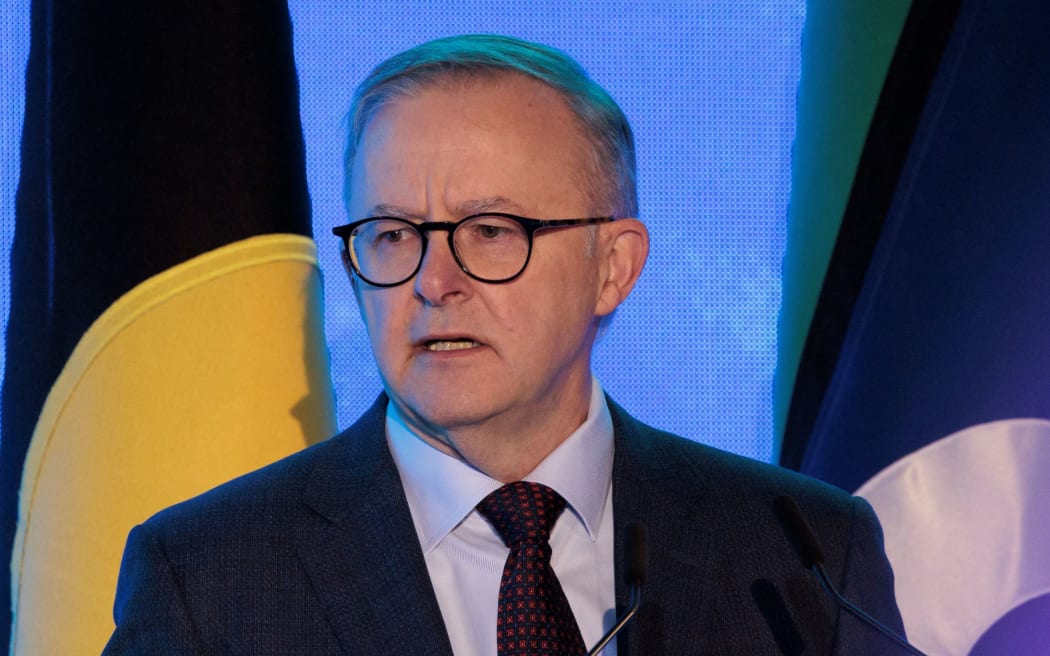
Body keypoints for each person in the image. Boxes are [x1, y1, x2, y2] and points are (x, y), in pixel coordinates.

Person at [104, 34, 903, 655]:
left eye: (490, 231)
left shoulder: (804, 554)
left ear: (613, 268)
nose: (433, 281)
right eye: (391, 235)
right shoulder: (209, 577)